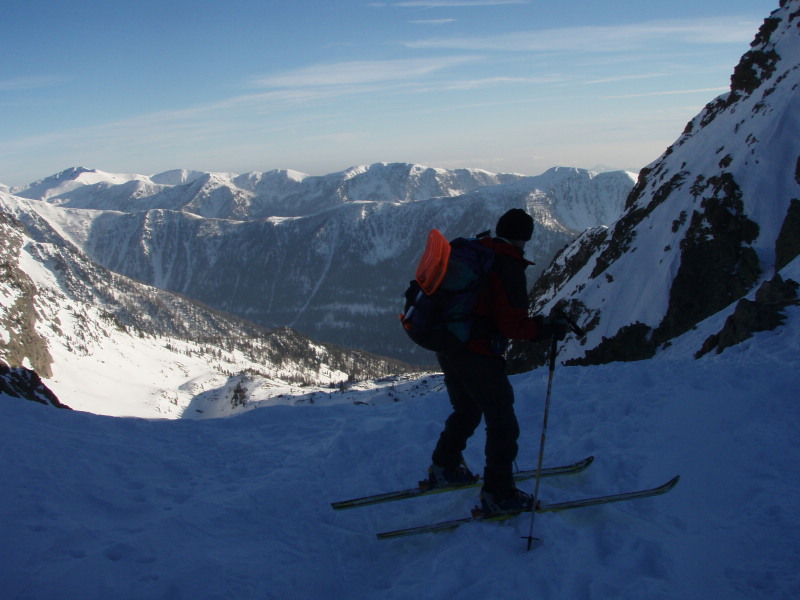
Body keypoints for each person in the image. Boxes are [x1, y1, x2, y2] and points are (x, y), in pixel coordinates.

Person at [424, 208, 568, 516]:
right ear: (525, 237)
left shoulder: (477, 249)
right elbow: (512, 325)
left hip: (449, 344)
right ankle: (498, 495)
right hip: (478, 353)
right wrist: (545, 328)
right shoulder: (507, 264)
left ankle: (443, 468)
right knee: (502, 423)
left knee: (467, 409)